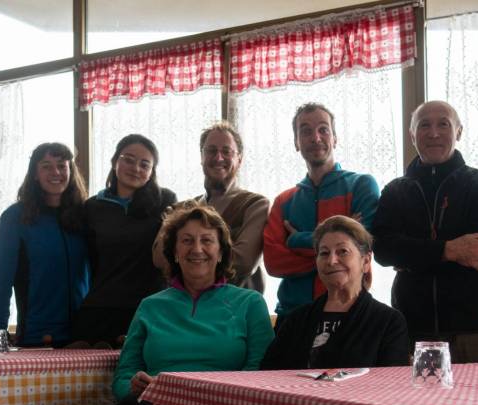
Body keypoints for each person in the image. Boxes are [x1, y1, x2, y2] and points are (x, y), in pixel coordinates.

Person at [112, 201, 274, 405]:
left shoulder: (250, 303)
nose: (196, 249)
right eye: (186, 240)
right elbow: (123, 376)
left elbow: (261, 372)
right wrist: (135, 388)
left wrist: (203, 397)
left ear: (221, 252)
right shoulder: (150, 306)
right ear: (174, 252)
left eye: (207, 240)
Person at [372, 101, 478, 363]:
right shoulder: (394, 190)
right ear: (412, 135)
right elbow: (384, 251)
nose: (433, 133)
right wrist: (449, 250)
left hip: (474, 326)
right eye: (424, 125)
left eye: (443, 124)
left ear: (459, 132)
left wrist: (412, 255)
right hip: (412, 325)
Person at [263, 103, 380, 321]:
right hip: (292, 317)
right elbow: (273, 262)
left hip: (350, 314)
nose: (315, 138)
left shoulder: (361, 186)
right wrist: (342, 251)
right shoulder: (283, 201)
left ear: (335, 138)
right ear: (296, 143)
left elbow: (365, 244)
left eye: (323, 129)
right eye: (305, 131)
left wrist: (297, 239)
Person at [260, 215, 409, 369]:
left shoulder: (388, 322)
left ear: (365, 261)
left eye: (342, 251)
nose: (332, 261)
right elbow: (267, 374)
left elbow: (392, 386)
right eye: (324, 253)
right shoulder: (296, 320)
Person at [73, 134, 176, 347]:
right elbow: (85, 262)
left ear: (152, 171)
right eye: (128, 159)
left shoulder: (165, 201)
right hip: (100, 308)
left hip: (150, 308)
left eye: (144, 164)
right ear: (114, 161)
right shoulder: (92, 207)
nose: (135, 168)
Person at [0, 142, 88, 347]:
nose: (56, 172)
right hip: (39, 337)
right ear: (34, 173)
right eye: (46, 166)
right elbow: (1, 281)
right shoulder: (15, 217)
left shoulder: (85, 215)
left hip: (84, 335)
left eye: (62, 165)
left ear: (71, 171)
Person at [154, 122, 269, 292]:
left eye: (226, 151)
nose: (219, 157)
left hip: (236, 311)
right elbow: (159, 258)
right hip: (185, 310)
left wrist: (186, 260)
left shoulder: (255, 205)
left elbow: (243, 263)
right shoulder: (180, 209)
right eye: (211, 150)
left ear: (239, 159)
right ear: (201, 157)